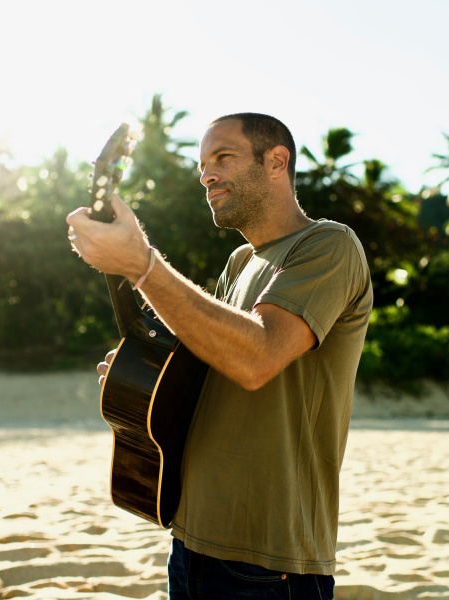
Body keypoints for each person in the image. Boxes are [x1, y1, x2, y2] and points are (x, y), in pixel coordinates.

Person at [66, 113, 372, 599]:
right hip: (190, 541)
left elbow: (257, 358)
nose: (206, 175)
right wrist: (142, 379)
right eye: (202, 166)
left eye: (222, 158)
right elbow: (211, 365)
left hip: (270, 561)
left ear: (276, 161)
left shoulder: (329, 245)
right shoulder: (240, 262)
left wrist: (143, 264)